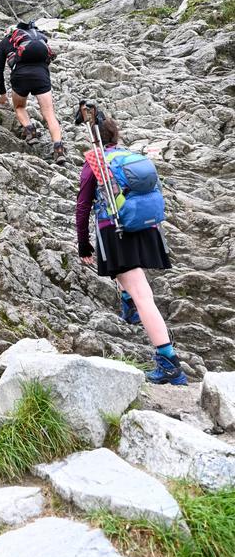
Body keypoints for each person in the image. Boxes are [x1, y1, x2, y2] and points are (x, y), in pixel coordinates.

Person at [76, 116, 188, 385]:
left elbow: (83, 206)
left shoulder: (96, 162)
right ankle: (128, 304)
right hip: (145, 227)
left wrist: (83, 243)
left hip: (116, 230)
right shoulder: (129, 157)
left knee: (142, 294)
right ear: (117, 135)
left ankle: (169, 363)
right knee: (135, 285)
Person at [0, 20, 66, 163]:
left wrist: (3, 94)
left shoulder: (5, 42)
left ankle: (30, 130)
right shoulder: (38, 37)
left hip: (20, 77)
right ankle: (58, 149)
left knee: (20, 107)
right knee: (49, 114)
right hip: (41, 76)